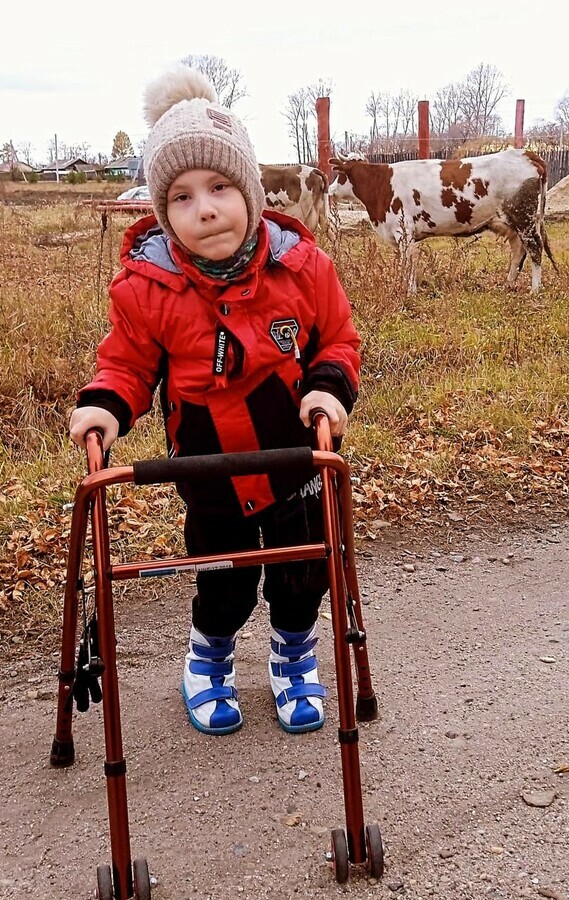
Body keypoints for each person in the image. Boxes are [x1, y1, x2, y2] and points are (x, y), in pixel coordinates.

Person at [69, 64, 360, 736]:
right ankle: (210, 658)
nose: (204, 209)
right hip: (207, 471)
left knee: (303, 575)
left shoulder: (303, 268)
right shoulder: (148, 289)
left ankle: (293, 658)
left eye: (221, 187)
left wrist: (327, 386)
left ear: (252, 192)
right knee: (223, 581)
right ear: (161, 213)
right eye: (181, 197)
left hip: (297, 460)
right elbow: (127, 362)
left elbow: (339, 340)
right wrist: (107, 405)